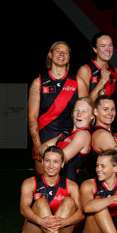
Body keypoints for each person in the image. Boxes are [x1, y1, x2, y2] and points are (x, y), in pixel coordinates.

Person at [28, 41, 83, 173]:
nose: (62, 54)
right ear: (50, 55)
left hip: (69, 139)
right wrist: (37, 145)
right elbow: (32, 117)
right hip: (45, 137)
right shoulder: (38, 82)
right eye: (58, 50)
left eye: (66, 52)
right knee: (43, 186)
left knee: (67, 185)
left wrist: (79, 141)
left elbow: (85, 114)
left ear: (69, 57)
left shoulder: (77, 81)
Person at [20, 146, 83, 233]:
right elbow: (24, 209)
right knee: (41, 202)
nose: (51, 166)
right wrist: (41, 221)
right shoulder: (30, 183)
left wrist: (65, 222)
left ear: (62, 164)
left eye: (55, 162)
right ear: (43, 162)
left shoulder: (71, 185)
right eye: (48, 161)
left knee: (69, 201)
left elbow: (81, 213)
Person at [37, 97, 94, 182]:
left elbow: (60, 158)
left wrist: (48, 157)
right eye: (76, 110)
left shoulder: (84, 134)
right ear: (72, 113)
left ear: (92, 116)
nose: (79, 114)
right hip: (53, 183)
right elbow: (40, 148)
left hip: (66, 187)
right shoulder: (66, 133)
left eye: (84, 111)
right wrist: (52, 157)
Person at [76, 32, 117, 102]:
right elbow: (83, 104)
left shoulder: (116, 71)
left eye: (110, 45)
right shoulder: (85, 70)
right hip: (91, 112)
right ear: (95, 49)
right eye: (103, 46)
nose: (108, 49)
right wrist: (102, 81)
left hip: (110, 112)